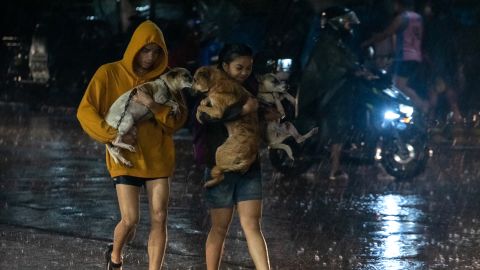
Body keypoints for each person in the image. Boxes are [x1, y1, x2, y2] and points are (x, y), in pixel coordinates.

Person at [76, 20, 188, 270]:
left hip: (158, 157)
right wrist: (111, 134)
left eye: (157, 52)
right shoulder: (109, 73)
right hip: (125, 158)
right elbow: (85, 111)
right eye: (146, 50)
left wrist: (153, 105)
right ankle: (115, 256)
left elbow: (177, 120)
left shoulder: (168, 78)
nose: (151, 57)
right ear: (135, 47)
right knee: (130, 219)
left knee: (160, 217)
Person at [195, 43, 271, 270]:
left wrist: (266, 113)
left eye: (248, 68)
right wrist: (243, 110)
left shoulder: (251, 90)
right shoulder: (211, 89)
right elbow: (205, 119)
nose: (245, 72)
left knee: (252, 225)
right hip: (220, 167)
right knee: (219, 228)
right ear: (225, 65)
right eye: (239, 67)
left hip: (249, 166)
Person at [296, 6, 361, 181]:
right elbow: (339, 63)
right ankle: (335, 168)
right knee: (337, 123)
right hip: (322, 91)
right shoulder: (328, 40)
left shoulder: (336, 40)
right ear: (337, 23)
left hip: (330, 89)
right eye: (347, 22)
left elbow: (349, 60)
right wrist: (355, 69)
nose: (349, 26)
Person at [362, 0, 428, 113]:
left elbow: (386, 33)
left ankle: (422, 105)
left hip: (405, 57)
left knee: (397, 86)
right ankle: (413, 110)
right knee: (397, 84)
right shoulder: (418, 18)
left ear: (398, 4)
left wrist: (367, 42)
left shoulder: (402, 18)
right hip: (416, 56)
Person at [423, 0, 463, 124]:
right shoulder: (449, 23)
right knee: (449, 94)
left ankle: (430, 125)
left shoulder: (432, 25)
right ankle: (457, 122)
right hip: (447, 62)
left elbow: (428, 46)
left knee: (437, 94)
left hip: (438, 63)